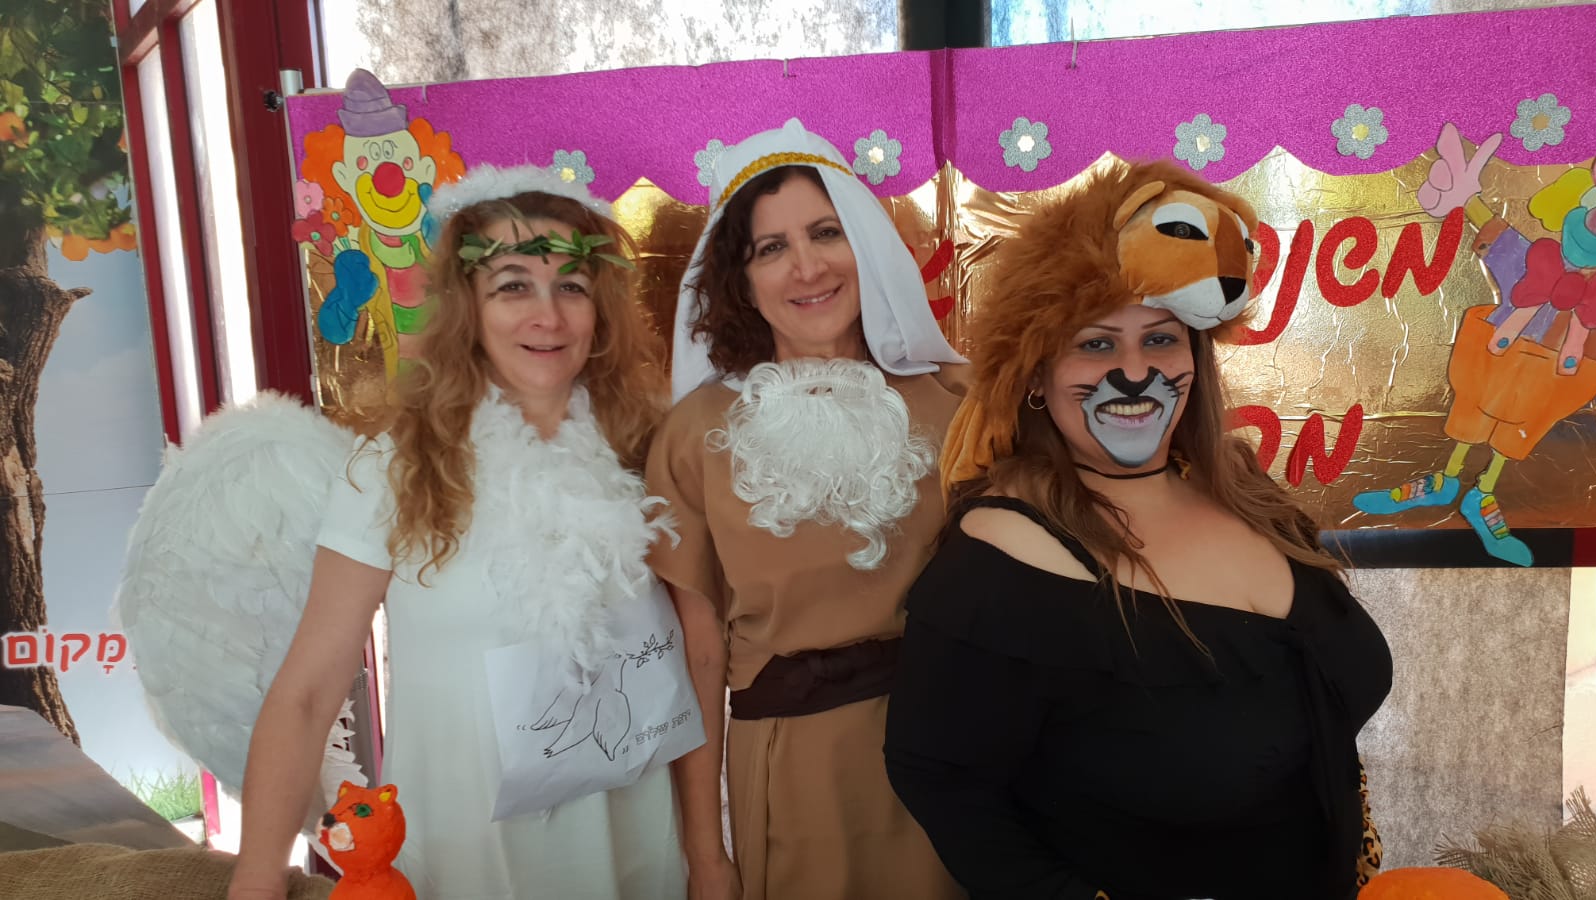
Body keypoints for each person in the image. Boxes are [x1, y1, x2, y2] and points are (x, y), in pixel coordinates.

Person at [883, 159, 1393, 900]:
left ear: (1196, 357)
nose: (1133, 371)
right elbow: (941, 779)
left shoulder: (1249, 496)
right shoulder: (1002, 553)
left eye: (1160, 340)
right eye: (1095, 344)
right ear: (1036, 373)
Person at [227, 164, 687, 900]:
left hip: (637, 846)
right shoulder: (395, 467)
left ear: (600, 308)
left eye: (571, 287)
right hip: (467, 856)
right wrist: (256, 880)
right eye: (513, 286)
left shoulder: (653, 451)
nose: (548, 316)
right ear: (467, 306)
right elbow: (307, 693)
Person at [646, 118, 967, 900]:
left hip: (952, 760)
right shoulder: (693, 436)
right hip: (793, 776)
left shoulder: (955, 404)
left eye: (826, 233)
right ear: (740, 279)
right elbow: (698, 660)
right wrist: (707, 856)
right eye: (771, 247)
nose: (807, 266)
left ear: (866, 244)